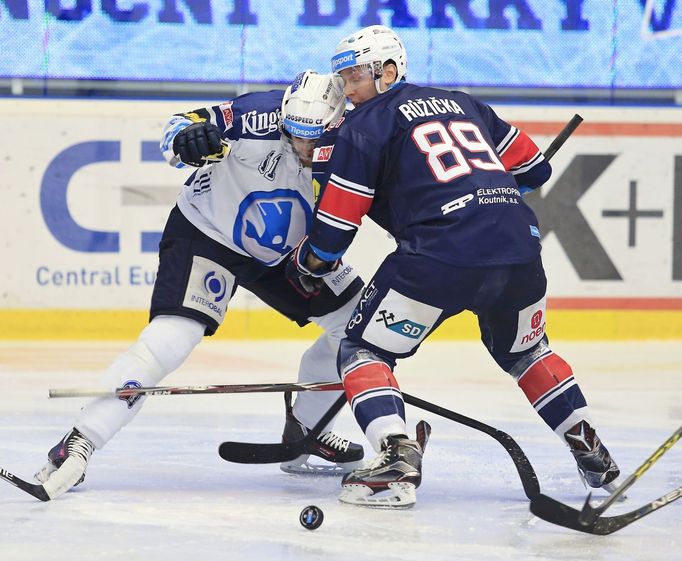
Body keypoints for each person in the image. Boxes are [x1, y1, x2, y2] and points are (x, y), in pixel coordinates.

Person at [288, 26, 620, 508]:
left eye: (356, 74)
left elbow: (335, 231)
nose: (348, 87)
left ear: (389, 70)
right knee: (528, 354)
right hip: (518, 249)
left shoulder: (364, 125)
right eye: (343, 76)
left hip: (438, 259)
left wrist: (308, 261)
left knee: (362, 350)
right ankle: (587, 444)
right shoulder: (464, 102)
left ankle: (394, 455)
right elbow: (535, 170)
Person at [34, 71, 367, 500]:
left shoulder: (359, 138)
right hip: (207, 233)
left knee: (362, 322)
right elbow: (181, 124)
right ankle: (78, 443)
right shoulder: (256, 114)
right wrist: (187, 140)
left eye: (312, 139)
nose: (302, 148)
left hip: (292, 250)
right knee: (171, 339)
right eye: (294, 135)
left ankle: (309, 427)